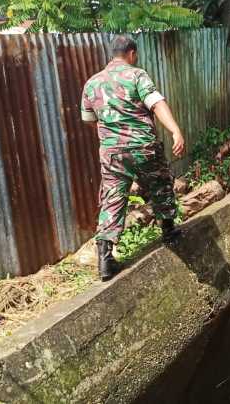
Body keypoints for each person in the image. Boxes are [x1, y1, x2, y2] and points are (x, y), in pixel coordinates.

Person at [81, 34, 185, 281]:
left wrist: (111, 137)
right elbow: (156, 103)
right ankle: (169, 231)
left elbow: (89, 120)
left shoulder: (92, 83)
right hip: (142, 146)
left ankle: (105, 260)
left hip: (112, 152)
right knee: (160, 184)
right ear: (132, 54)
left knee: (113, 198)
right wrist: (175, 130)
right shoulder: (136, 75)